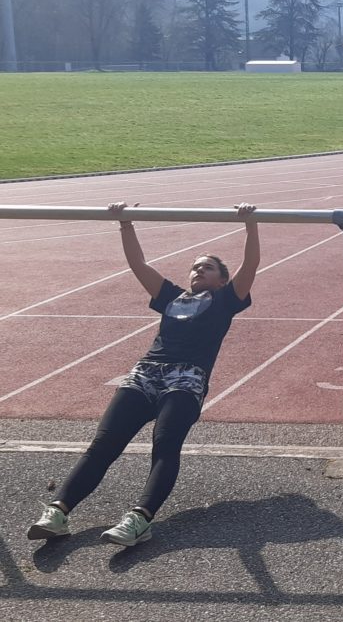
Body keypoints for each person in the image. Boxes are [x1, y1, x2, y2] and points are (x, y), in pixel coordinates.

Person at [27, 202, 260, 547]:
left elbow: (251, 263)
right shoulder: (170, 296)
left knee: (165, 446)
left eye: (207, 268)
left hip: (187, 379)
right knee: (103, 444)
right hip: (145, 373)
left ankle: (140, 518)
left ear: (222, 279)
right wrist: (125, 222)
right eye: (195, 267)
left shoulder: (227, 299)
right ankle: (58, 511)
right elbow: (138, 264)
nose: (198, 270)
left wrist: (250, 224)